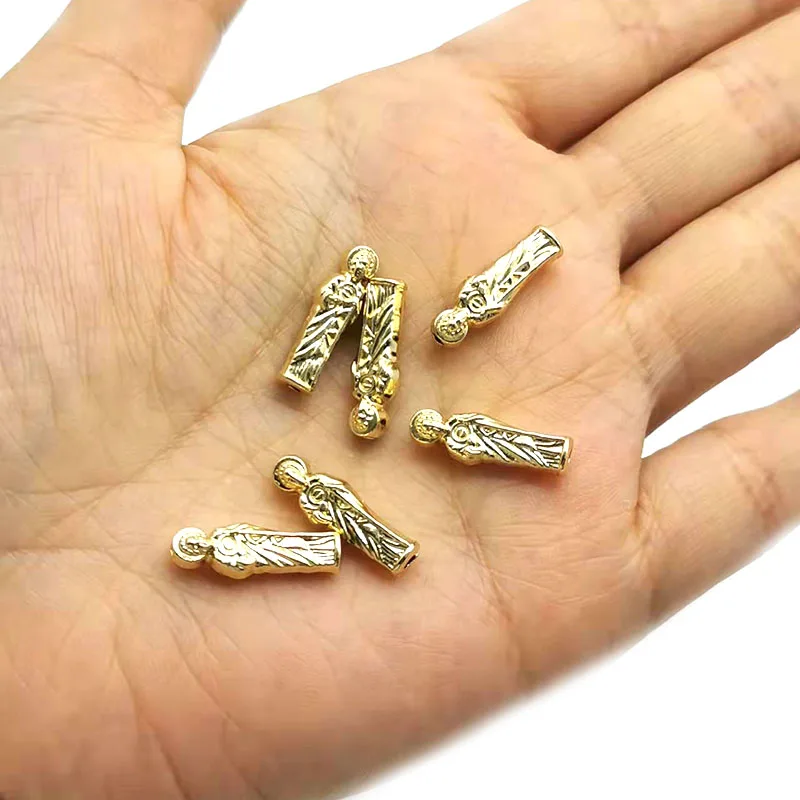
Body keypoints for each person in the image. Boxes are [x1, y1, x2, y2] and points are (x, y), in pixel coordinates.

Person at [1, 0, 798, 797]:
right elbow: (331, 472)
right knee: (374, 483)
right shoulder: (312, 488)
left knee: (467, 390)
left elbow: (423, 351)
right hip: (338, 476)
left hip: (384, 427)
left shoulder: (408, 373)